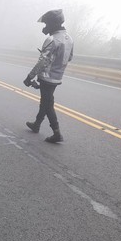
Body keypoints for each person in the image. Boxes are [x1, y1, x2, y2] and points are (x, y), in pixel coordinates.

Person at [23, 9, 74, 143]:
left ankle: (56, 132)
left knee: (48, 104)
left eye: (46, 24)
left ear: (53, 24)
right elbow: (70, 58)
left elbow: (43, 61)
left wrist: (30, 77)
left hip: (47, 76)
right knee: (45, 102)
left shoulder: (52, 39)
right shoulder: (69, 39)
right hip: (58, 77)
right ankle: (37, 124)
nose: (45, 27)